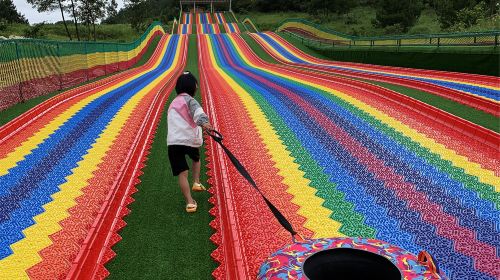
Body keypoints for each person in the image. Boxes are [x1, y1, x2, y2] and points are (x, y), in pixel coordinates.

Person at [167, 71, 213, 213]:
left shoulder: (173, 103)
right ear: (192, 86)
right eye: (196, 84)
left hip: (174, 142)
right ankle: (197, 182)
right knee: (196, 158)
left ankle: (189, 202)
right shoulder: (190, 100)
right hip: (188, 139)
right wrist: (205, 123)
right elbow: (197, 113)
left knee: (182, 173)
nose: (197, 86)